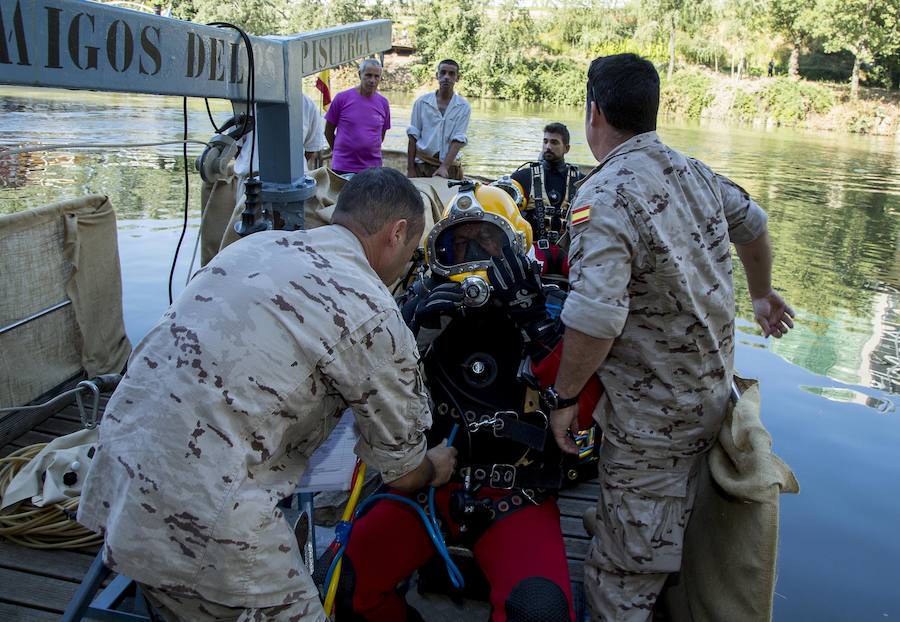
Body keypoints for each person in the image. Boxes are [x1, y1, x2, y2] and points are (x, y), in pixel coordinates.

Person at [77, 168, 458, 622]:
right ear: (398, 233)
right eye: (412, 249)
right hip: (202, 517)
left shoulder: (256, 247)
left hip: (115, 475)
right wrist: (435, 465)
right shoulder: (374, 314)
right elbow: (400, 472)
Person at [546, 54, 795, 621]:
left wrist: (563, 399)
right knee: (652, 519)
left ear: (594, 113)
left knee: (619, 584)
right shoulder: (696, 173)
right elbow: (755, 225)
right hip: (709, 399)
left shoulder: (602, 194)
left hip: (651, 423)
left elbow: (595, 318)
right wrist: (761, 294)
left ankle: (632, 557)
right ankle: (639, 533)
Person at [334, 182, 603, 622]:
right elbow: (364, 402)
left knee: (539, 611)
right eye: (456, 246)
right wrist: (411, 334)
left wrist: (537, 326)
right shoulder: (419, 311)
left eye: (487, 244)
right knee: (344, 583)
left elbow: (584, 420)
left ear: (517, 247)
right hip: (426, 485)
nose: (472, 258)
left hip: (516, 494)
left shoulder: (553, 311)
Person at [508, 122, 585, 282]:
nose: (548, 146)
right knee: (520, 276)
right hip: (535, 248)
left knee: (588, 278)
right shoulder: (524, 177)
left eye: (554, 142)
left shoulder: (581, 182)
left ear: (567, 148)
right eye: (545, 141)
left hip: (568, 251)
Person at [233, 92, 327, 200]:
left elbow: (236, 146)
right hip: (258, 181)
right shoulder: (308, 104)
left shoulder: (246, 100)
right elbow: (311, 150)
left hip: (284, 183)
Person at [406, 59, 471, 180]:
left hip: (449, 168)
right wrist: (410, 168)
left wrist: (444, 167)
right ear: (437, 76)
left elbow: (457, 140)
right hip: (422, 165)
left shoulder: (463, 106)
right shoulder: (421, 102)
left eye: (451, 74)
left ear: (457, 78)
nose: (446, 77)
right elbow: (413, 136)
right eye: (443, 73)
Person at [325, 58, 391, 175]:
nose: (372, 80)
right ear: (359, 74)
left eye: (377, 76)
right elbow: (328, 132)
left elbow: (381, 135)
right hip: (343, 166)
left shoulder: (383, 103)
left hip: (373, 168)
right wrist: (339, 152)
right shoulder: (342, 98)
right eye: (368, 75)